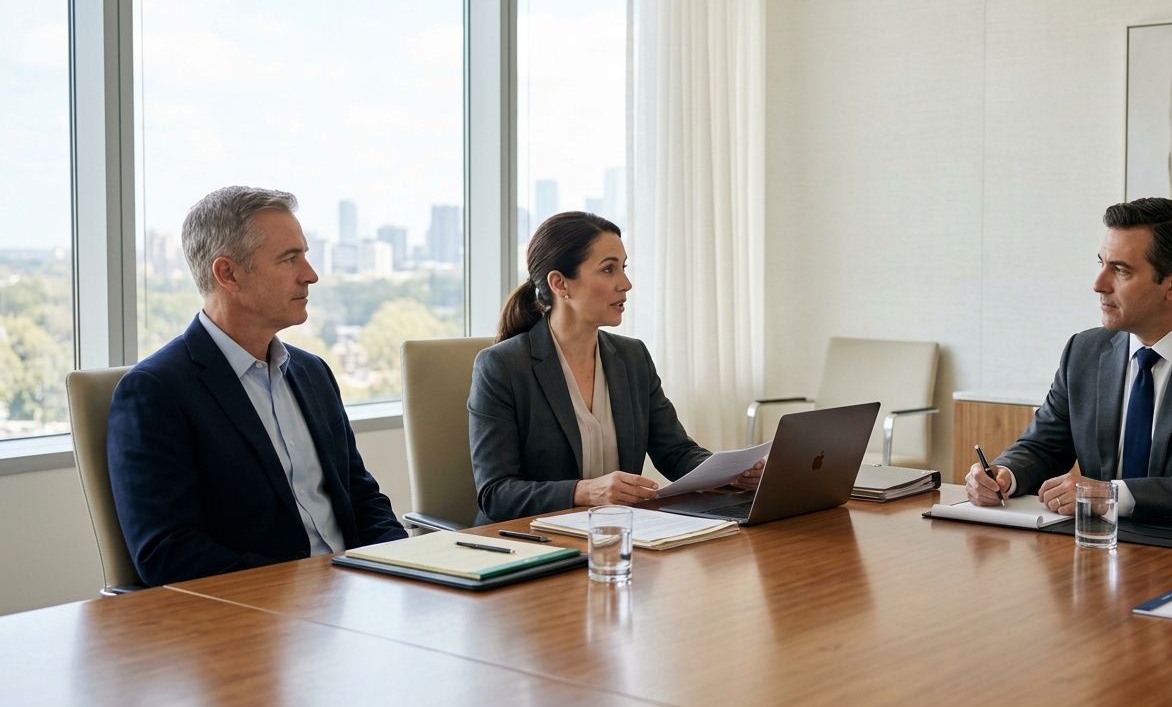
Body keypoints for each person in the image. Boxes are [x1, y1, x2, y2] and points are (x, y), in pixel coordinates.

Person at [107, 186, 406, 586]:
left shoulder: (312, 372)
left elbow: (362, 497)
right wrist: (304, 586)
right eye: (289, 258)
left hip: (354, 595)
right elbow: (168, 553)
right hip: (257, 618)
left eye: (305, 254)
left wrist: (405, 568)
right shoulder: (155, 392)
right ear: (227, 274)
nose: (311, 274)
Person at [964, 198, 1172, 523]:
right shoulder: (1084, 351)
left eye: (1120, 270)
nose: (1098, 284)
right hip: (1092, 549)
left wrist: (1113, 495)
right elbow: (1043, 446)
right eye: (1101, 263)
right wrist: (1005, 474)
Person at [468, 211, 762, 523]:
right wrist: (583, 492)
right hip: (529, 543)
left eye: (623, 267)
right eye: (609, 269)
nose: (626, 283)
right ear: (560, 284)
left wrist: (731, 473)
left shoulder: (632, 357)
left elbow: (675, 453)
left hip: (615, 534)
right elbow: (496, 494)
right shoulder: (502, 366)